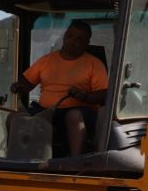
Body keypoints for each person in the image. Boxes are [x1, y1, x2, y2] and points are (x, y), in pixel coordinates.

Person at [14, 20, 108, 155]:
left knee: (73, 116)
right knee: (14, 118)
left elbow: (104, 95)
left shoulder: (95, 64)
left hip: (81, 112)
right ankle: (15, 160)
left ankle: (75, 163)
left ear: (87, 43)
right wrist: (19, 86)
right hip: (46, 110)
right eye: (69, 36)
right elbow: (27, 84)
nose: (72, 41)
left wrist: (85, 96)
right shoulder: (46, 60)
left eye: (79, 39)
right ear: (64, 37)